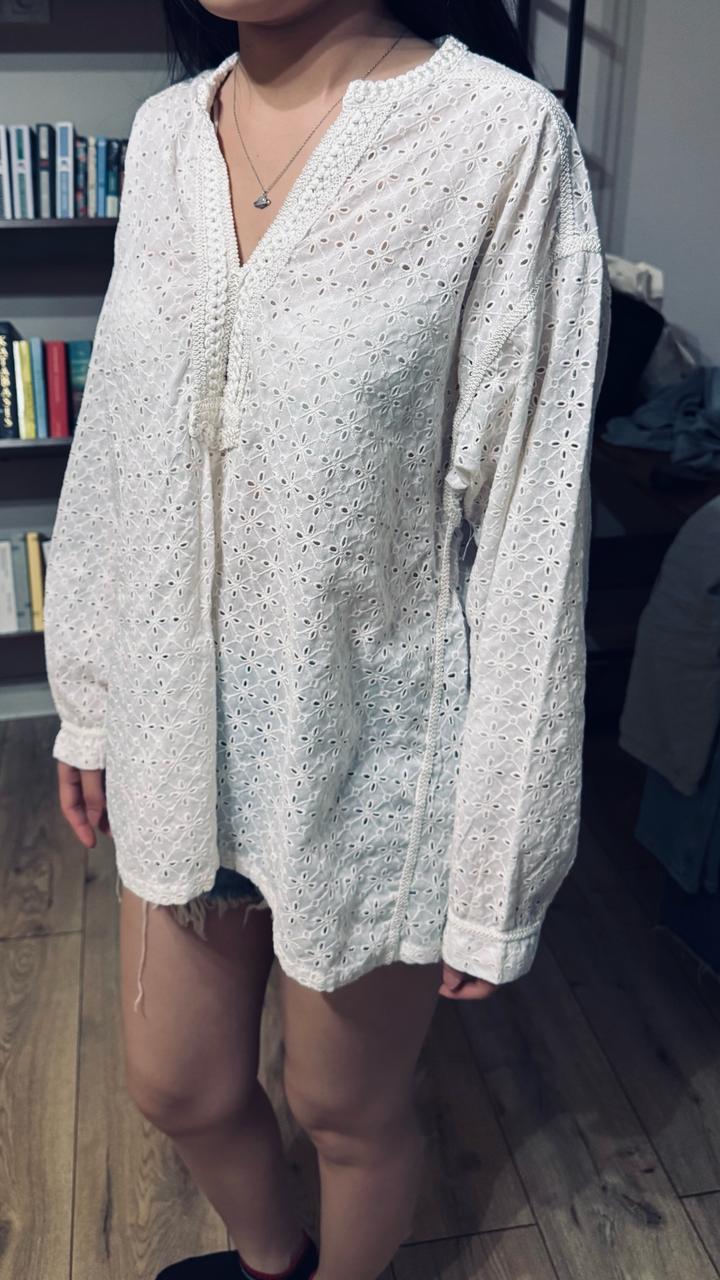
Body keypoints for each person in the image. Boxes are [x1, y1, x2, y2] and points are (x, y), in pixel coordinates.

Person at [43, 2, 611, 1278]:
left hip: (367, 753)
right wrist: (89, 693)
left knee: (344, 1108)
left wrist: (501, 853)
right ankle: (273, 1260)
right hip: (178, 722)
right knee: (176, 1082)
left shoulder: (499, 142)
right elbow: (117, 440)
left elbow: (533, 533)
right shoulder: (166, 137)